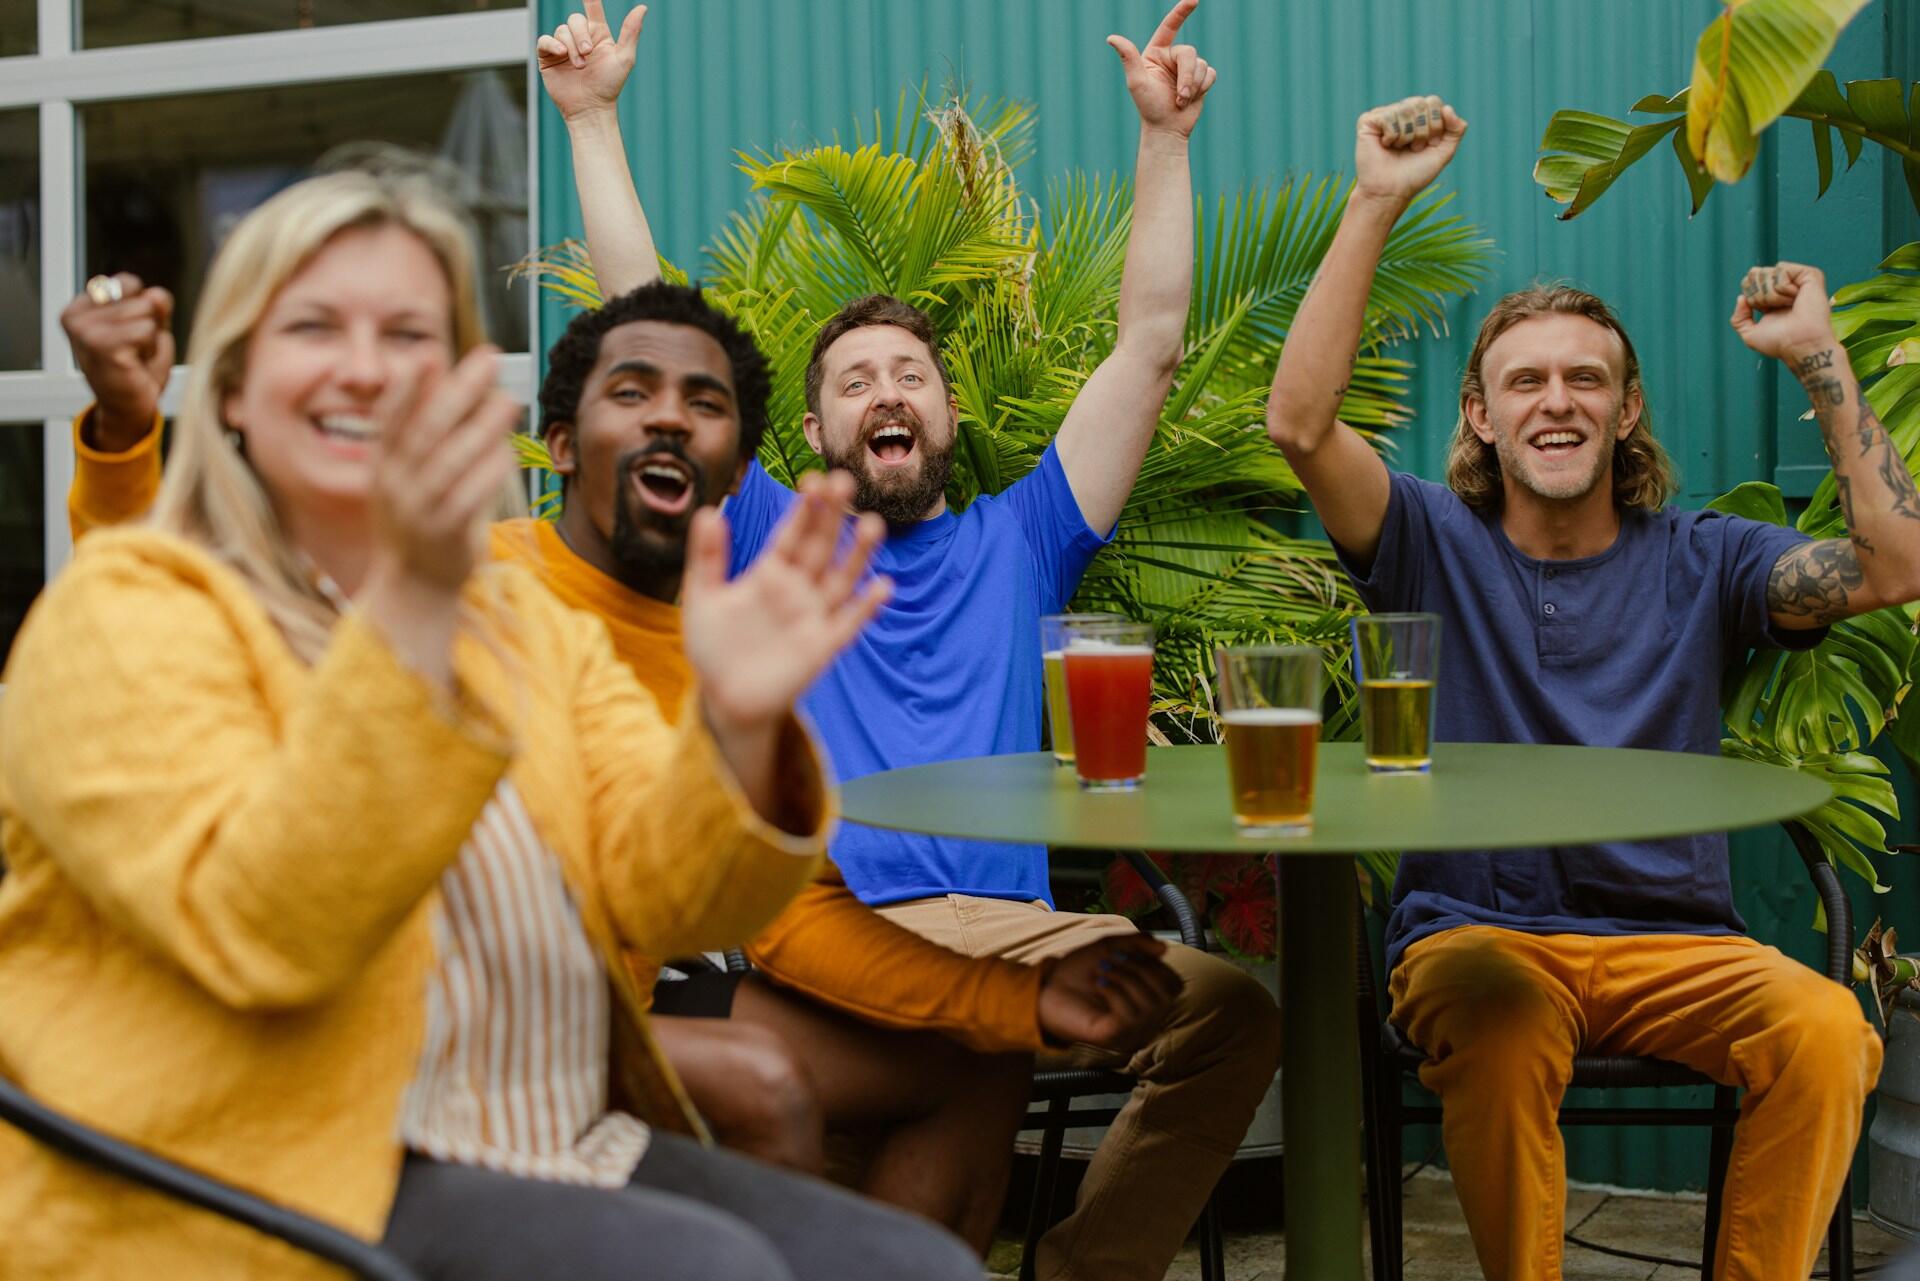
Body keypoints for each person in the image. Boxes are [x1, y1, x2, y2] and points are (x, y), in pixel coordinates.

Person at [57, 275, 1185, 1255]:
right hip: (382, 1042)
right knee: (788, 1091)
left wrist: (1018, 997)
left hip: (600, 1025)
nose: (671, 424)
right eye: (631, 396)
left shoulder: (703, 664)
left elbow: (792, 914)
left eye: (703, 407)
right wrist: (125, 435)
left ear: (737, 467)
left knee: (973, 1059)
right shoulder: (461, 580)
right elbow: (180, 617)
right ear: (560, 445)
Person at [545, 5, 1283, 1279]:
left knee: (1228, 1019)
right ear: (822, 438)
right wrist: (593, 120)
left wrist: (1166, 142)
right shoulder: (783, 529)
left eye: (911, 375)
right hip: (829, 938)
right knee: (880, 1201)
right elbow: (643, 323)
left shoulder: (1030, 534)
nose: (888, 391)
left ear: (945, 414)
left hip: (1009, 929)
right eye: (854, 382)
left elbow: (1150, 345)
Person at [1264, 95, 1892, 1281]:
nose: (1557, 400)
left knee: (1824, 1031)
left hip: (1674, 945)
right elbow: (1297, 422)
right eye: (1527, 382)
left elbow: (1896, 566)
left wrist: (1819, 353)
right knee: (1498, 1028)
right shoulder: (1425, 538)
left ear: (1627, 409)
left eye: (1586, 380)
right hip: (1476, 939)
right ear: (1482, 417)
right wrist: (1377, 199)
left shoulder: (1710, 558)